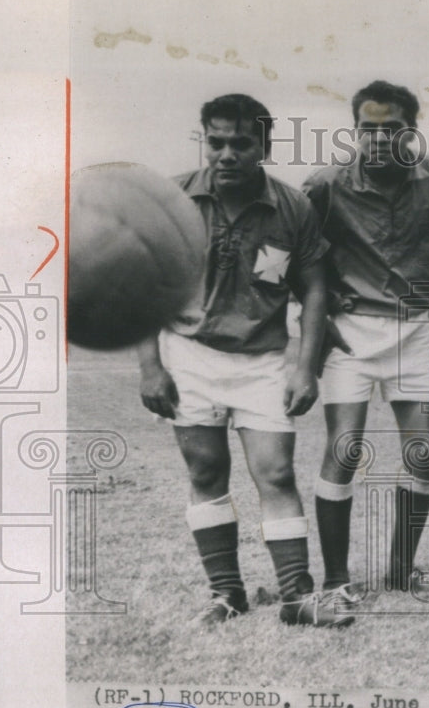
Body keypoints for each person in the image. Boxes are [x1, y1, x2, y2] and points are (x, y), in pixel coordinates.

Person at [137, 93, 353, 628]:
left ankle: (296, 597)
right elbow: (141, 285)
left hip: (262, 359)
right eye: (217, 141)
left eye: (241, 143)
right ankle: (227, 593)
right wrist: (150, 366)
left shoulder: (291, 206)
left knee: (276, 472)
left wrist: (304, 366)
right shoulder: (174, 199)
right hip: (189, 353)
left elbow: (316, 287)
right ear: (203, 140)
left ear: (263, 146)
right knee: (206, 468)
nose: (227, 154)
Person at [302, 80, 429, 597]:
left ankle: (399, 569)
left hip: (414, 331)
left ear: (411, 130)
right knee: (344, 450)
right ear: (355, 131)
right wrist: (317, 313)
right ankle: (336, 580)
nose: (377, 140)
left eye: (390, 129)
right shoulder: (326, 184)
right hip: (351, 334)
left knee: (422, 453)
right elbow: (294, 256)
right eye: (367, 129)